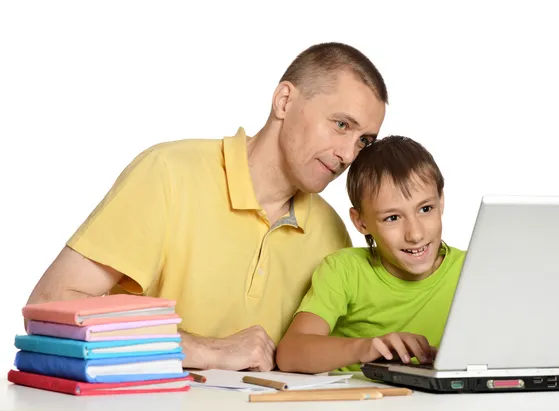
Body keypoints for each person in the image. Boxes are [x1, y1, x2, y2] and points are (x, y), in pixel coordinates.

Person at [25, 42, 387, 372]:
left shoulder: (333, 232)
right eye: (341, 125)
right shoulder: (167, 173)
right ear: (284, 101)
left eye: (363, 141)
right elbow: (49, 307)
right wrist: (205, 350)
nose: (347, 155)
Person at [275, 135, 466, 373]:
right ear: (361, 222)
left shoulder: (472, 270)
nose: (415, 234)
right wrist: (366, 348)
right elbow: (290, 353)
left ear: (442, 201)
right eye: (392, 218)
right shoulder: (344, 270)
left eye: (425, 209)